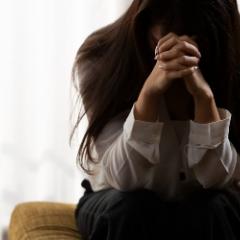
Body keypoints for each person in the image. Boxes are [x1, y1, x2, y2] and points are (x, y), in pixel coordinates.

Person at [70, 0, 240, 239]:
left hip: (210, 202)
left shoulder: (233, 59)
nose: (179, 54)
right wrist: (149, 95)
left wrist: (204, 99)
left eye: (194, 48)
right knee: (130, 210)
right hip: (116, 198)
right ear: (143, 23)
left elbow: (216, 179)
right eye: (161, 45)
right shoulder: (101, 58)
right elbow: (125, 178)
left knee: (214, 209)